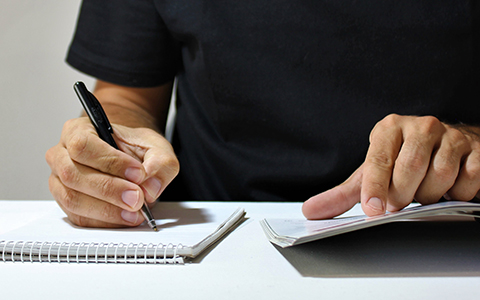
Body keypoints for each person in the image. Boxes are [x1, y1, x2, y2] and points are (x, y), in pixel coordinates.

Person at [46, 1, 480, 228]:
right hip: (215, 238)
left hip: (436, 228)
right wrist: (116, 147)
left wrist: (470, 144)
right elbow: (129, 97)